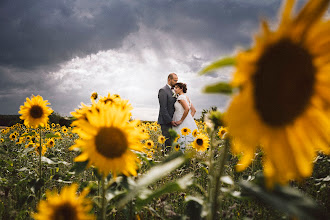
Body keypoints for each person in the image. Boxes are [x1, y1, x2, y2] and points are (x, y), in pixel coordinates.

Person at [172, 82, 198, 150]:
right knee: (186, 139)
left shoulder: (180, 97)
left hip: (179, 120)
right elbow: (194, 110)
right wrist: (188, 119)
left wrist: (181, 120)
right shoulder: (187, 98)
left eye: (176, 88)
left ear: (181, 89)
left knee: (180, 139)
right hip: (185, 121)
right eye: (174, 87)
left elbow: (187, 108)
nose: (175, 89)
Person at [157, 73, 178, 148]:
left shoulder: (175, 91)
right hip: (166, 122)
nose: (176, 82)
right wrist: (170, 121)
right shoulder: (163, 90)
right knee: (167, 143)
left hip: (174, 121)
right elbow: (163, 108)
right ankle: (165, 158)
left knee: (172, 143)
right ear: (169, 79)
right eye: (175, 80)